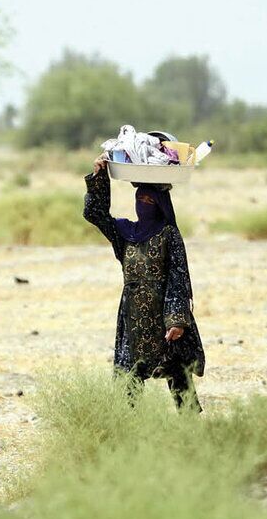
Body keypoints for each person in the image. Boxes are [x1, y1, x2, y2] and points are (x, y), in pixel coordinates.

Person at [83, 151, 205, 411]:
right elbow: (95, 214)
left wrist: (176, 320)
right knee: (129, 375)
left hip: (163, 316)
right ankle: (131, 432)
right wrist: (99, 177)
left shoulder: (168, 234)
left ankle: (193, 432)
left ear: (160, 204)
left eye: (150, 199)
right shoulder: (125, 233)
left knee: (178, 375)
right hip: (132, 315)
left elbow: (178, 277)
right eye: (140, 198)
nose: (144, 203)